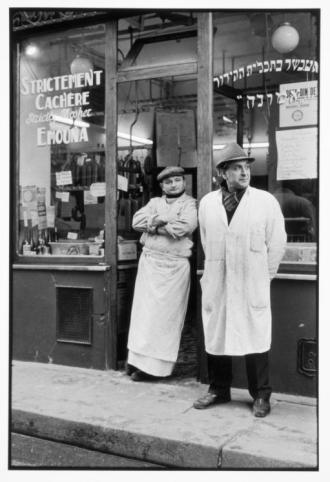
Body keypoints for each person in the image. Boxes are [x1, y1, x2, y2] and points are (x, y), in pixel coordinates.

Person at [194, 142, 286, 417]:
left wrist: (264, 276)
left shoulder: (265, 201)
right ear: (223, 172)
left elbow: (278, 243)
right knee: (217, 334)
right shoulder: (208, 203)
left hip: (252, 281)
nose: (244, 173)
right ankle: (218, 389)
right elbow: (207, 241)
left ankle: (261, 395)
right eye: (237, 168)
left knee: (255, 337)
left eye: (247, 167)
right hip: (219, 280)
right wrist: (217, 268)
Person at [126, 166, 198, 382]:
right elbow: (136, 222)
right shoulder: (154, 202)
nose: (173, 185)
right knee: (144, 317)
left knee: (165, 319)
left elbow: (185, 227)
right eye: (168, 182)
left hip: (174, 267)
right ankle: (137, 364)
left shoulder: (190, 204)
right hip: (149, 264)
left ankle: (157, 369)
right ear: (161, 186)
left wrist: (156, 223)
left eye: (177, 180)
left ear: (184, 183)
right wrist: (161, 223)